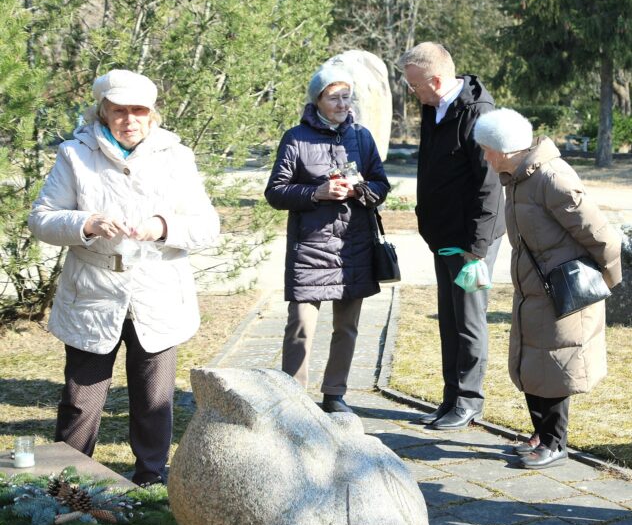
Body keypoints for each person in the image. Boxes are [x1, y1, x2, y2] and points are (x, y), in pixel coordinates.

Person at [28, 69, 220, 486]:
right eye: (119, 111)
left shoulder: (176, 157)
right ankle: (68, 484)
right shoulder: (75, 155)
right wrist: (86, 222)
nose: (129, 119)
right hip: (94, 293)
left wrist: (163, 225)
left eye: (139, 111)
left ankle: (150, 480)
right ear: (103, 111)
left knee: (155, 399)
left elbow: (207, 226)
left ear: (153, 115)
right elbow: (41, 219)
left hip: (157, 292)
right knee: (82, 400)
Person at [474, 108, 621, 469]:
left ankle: (556, 442)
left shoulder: (552, 179)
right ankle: (540, 434)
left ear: (504, 149)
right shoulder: (517, 178)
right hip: (533, 289)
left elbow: (602, 236)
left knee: (555, 365)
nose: (484, 157)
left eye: (486, 149)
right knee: (533, 360)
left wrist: (603, 282)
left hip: (562, 291)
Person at [264, 63, 390, 415]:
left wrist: (360, 189)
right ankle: (294, 398)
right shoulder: (296, 138)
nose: (342, 103)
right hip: (311, 249)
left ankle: (335, 394)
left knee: (346, 327)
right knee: (301, 326)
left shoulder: (362, 137)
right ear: (317, 99)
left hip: (354, 246)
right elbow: (275, 192)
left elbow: (381, 185)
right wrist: (318, 192)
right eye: (334, 97)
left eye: (347, 96)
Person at [400, 42, 505, 430]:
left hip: (472, 241)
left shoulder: (479, 114)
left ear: (437, 79)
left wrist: (476, 250)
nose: (413, 93)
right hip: (443, 234)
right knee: (449, 318)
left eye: (415, 86)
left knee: (469, 318)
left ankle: (470, 401)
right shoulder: (433, 106)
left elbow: (489, 186)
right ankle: (452, 398)